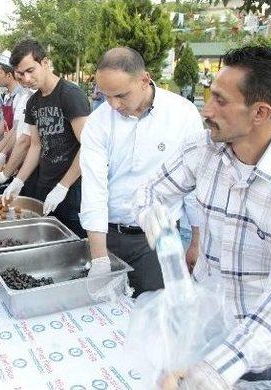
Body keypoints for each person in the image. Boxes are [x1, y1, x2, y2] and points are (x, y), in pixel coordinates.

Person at [136, 46, 271, 388]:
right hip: (207, 321)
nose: (206, 110)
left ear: (260, 112)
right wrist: (168, 249)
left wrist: (212, 373)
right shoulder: (203, 148)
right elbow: (151, 193)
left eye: (221, 101)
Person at [79, 48, 203, 296]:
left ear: (144, 80)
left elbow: (195, 184)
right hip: (108, 235)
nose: (114, 105)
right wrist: (101, 259)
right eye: (106, 96)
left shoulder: (182, 114)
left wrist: (196, 242)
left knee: (155, 312)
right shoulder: (98, 122)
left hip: (160, 239)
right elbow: (94, 189)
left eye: (121, 95)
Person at [2, 38, 90, 237]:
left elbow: (89, 147)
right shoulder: (33, 102)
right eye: (21, 74)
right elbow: (35, 145)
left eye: (30, 71)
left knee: (73, 244)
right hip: (45, 185)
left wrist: (63, 186)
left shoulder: (70, 95)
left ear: (45, 63)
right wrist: (18, 180)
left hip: (73, 189)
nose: (26, 79)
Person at [0, 58, 32, 175]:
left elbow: (16, 129)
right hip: (8, 145)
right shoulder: (7, 96)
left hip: (18, 147)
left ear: (9, 75)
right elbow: (4, 122)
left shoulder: (21, 95)